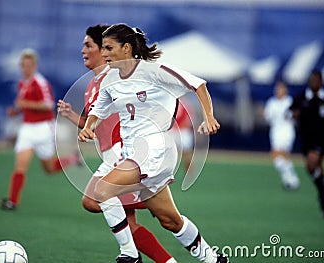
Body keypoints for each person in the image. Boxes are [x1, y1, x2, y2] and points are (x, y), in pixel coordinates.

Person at [78, 23, 228, 263]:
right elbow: (100, 107)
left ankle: (130, 254)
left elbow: (198, 84)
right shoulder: (110, 79)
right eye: (102, 48)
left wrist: (209, 116)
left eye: (108, 48)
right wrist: (88, 126)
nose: (103, 53)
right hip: (134, 155)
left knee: (102, 192)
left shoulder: (154, 71)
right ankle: (214, 260)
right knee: (170, 220)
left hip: (155, 150)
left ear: (126, 48)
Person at [57, 24, 176, 263]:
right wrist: (76, 119)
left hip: (122, 154)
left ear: (103, 51)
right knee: (129, 224)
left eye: (89, 45)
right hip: (112, 154)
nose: (83, 50)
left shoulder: (114, 79)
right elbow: (97, 122)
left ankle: (151, 198)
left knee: (92, 199)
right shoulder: (94, 84)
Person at [0, 48, 80, 210]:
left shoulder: (40, 82)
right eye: (23, 65)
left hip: (43, 128)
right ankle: (12, 201)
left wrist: (25, 104)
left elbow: (48, 104)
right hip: (27, 128)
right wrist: (15, 111)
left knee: (49, 169)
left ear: (34, 66)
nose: (26, 68)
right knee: (20, 164)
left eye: (29, 65)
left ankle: (72, 159)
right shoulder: (22, 83)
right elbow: (23, 105)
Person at [290, 70, 324, 218]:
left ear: (321, 82)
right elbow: (289, 112)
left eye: (316, 80)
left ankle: (323, 194)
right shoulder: (302, 98)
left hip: (321, 139)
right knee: (317, 169)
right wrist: (293, 115)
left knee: (311, 164)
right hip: (306, 139)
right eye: (311, 80)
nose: (313, 83)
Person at [264, 81, 300, 190]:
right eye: (277, 89)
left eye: (281, 89)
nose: (278, 91)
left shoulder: (290, 102)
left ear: (285, 90)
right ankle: (290, 179)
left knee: (280, 154)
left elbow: (295, 115)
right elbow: (267, 117)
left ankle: (292, 180)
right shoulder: (272, 102)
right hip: (275, 131)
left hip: (286, 131)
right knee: (279, 157)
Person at [170, 100, 195, 173]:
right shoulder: (168, 104)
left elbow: (188, 120)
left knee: (186, 153)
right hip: (173, 130)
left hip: (182, 130)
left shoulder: (184, 105)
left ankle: (189, 171)